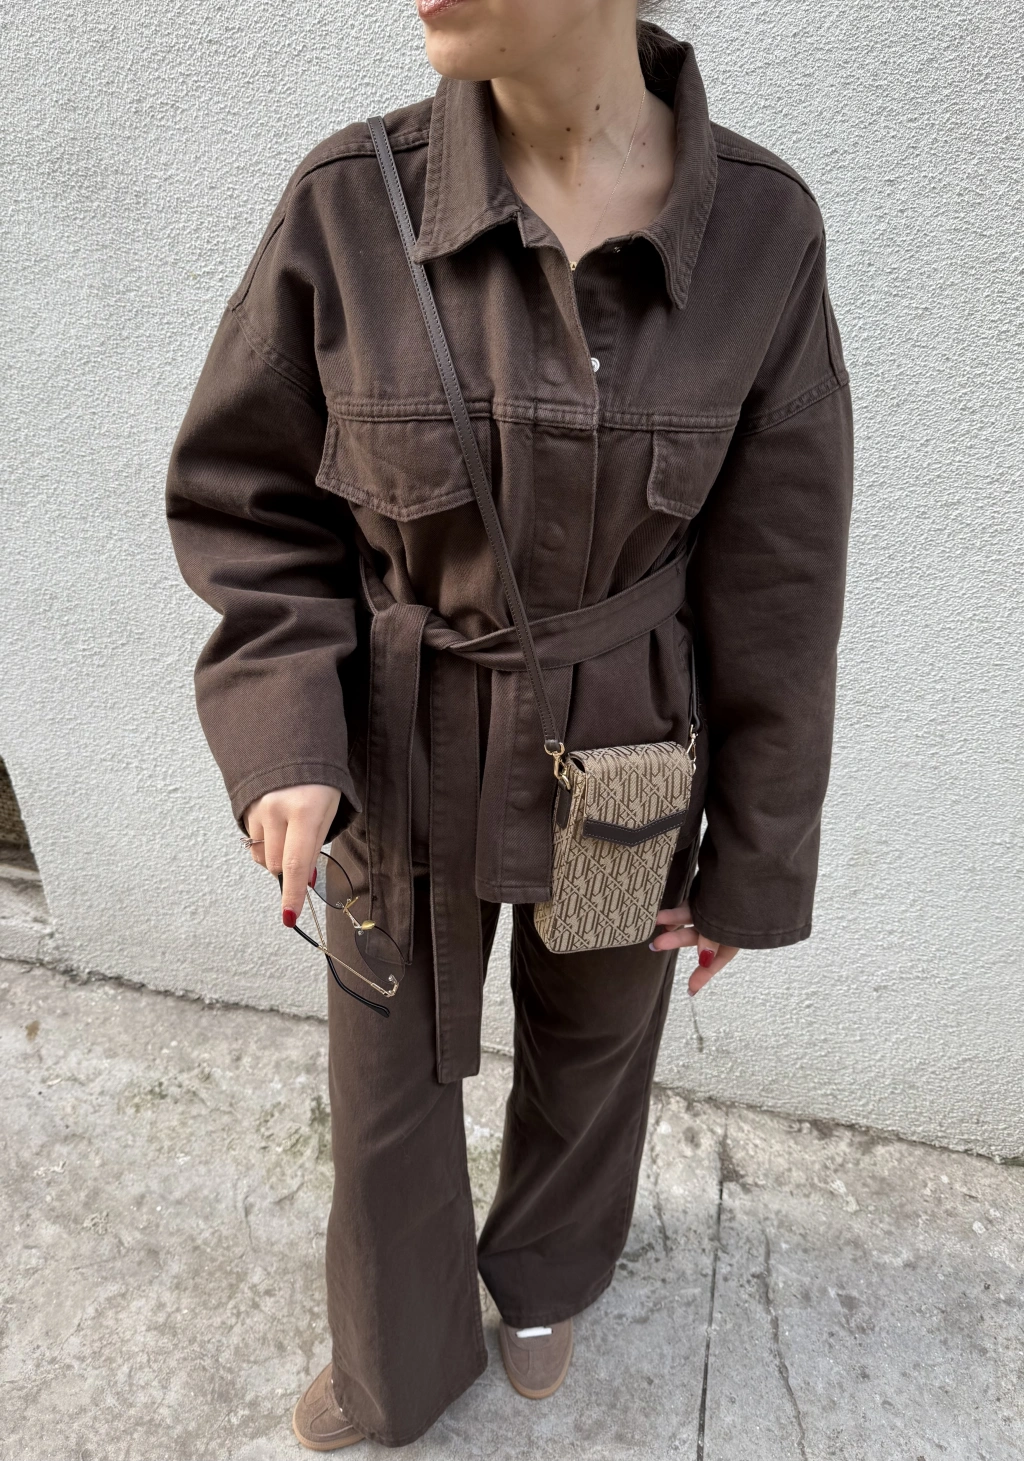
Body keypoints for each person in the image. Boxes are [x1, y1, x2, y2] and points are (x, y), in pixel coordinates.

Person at [166, 0, 853, 1448]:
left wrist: (755, 859)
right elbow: (249, 500)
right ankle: (397, 1359)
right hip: (396, 743)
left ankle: (545, 1280)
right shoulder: (349, 206)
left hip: (626, 753)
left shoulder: (762, 237)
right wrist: (287, 740)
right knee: (385, 1085)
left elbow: (781, 576)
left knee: (596, 1046)